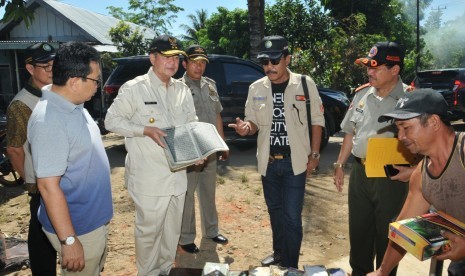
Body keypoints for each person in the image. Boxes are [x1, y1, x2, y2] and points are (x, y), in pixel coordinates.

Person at [104, 34, 198, 275]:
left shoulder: (182, 89)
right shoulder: (135, 88)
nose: (172, 62)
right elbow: (111, 121)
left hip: (178, 176)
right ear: (152, 57)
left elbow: (191, 124)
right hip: (149, 178)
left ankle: (165, 270)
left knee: (171, 233)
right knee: (149, 234)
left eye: (176, 58)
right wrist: (143, 130)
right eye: (166, 57)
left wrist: (197, 150)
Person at [228, 35, 325, 268]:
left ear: (287, 59)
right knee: (275, 212)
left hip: (295, 163)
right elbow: (252, 122)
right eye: (264, 63)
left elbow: (317, 121)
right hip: (268, 163)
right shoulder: (256, 88)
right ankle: (279, 254)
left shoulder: (304, 83)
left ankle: (290, 267)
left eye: (274, 61)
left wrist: (314, 155)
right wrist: (245, 128)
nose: (269, 67)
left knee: (292, 218)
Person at [27, 41, 113, 275]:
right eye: (95, 80)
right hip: (78, 228)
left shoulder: (73, 104)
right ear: (75, 81)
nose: (98, 86)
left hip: (91, 220)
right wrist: (69, 241)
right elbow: (47, 186)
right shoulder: (49, 121)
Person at [367, 88, 465, 276]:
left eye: (406, 128)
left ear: (434, 122)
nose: (400, 136)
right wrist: (382, 271)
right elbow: (402, 232)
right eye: (398, 129)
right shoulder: (421, 175)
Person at [332, 41, 410, 276]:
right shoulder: (362, 93)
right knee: (359, 231)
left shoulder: (410, 99)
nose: (370, 72)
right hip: (359, 172)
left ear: (394, 70)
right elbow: (349, 132)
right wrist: (339, 164)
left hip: (391, 174)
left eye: (376, 67)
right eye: (369, 67)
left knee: (386, 234)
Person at [6, 42, 57, 275]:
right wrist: (32, 183)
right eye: (44, 65)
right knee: (42, 240)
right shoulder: (21, 105)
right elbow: (15, 150)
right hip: (42, 186)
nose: (51, 69)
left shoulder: (57, 93)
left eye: (53, 63)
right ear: (29, 69)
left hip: (64, 181)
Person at [178, 45, 229, 254]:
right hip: (190, 151)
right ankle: (186, 238)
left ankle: (211, 230)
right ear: (185, 64)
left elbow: (217, 115)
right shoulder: (177, 87)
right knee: (188, 195)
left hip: (210, 149)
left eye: (202, 63)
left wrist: (222, 144)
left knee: (208, 192)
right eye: (194, 62)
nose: (199, 67)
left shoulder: (210, 85)